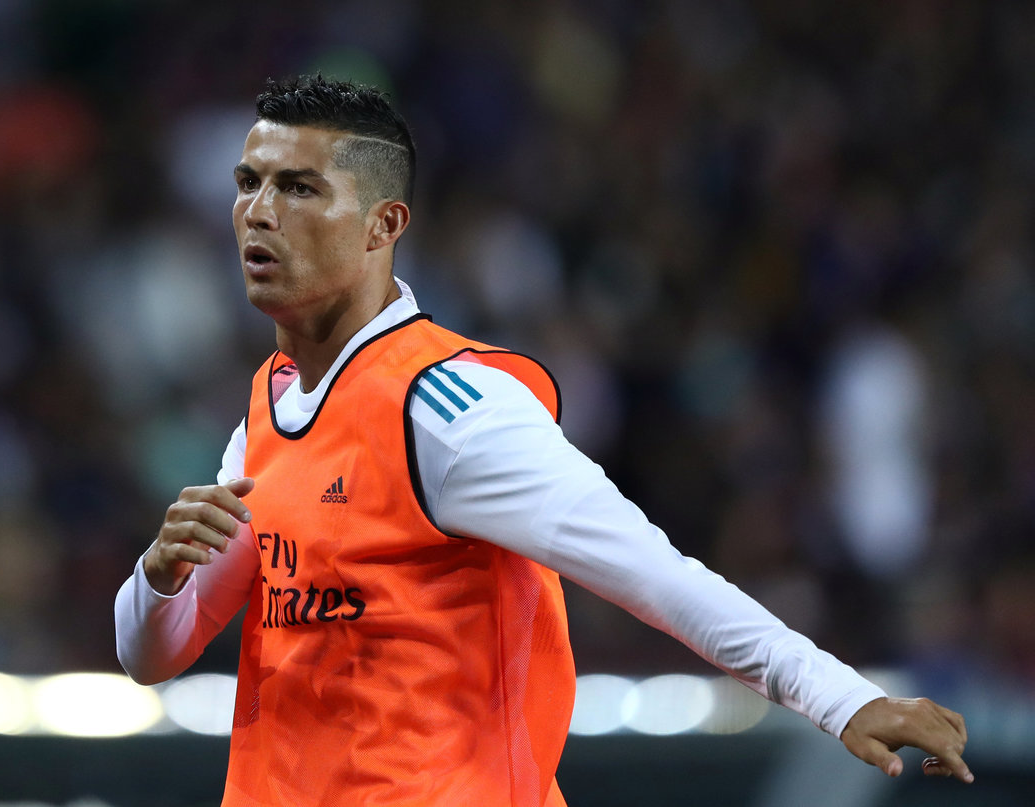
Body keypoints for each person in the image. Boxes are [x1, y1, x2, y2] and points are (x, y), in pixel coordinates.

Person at [114, 75, 971, 806]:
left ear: (383, 224)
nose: (259, 212)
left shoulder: (448, 411)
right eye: (249, 181)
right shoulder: (269, 408)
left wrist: (840, 697)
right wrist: (158, 576)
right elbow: (155, 654)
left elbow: (655, 573)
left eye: (299, 188)